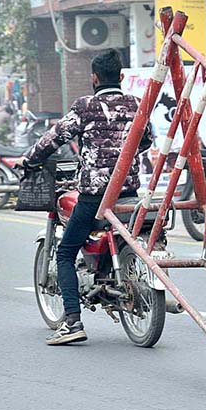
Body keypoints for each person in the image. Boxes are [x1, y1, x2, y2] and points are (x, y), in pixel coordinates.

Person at [20, 49, 152, 345]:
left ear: (94, 78)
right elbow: (146, 140)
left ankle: (72, 322)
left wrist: (29, 160)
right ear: (120, 77)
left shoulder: (86, 107)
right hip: (128, 193)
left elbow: (53, 138)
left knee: (66, 252)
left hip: (94, 198)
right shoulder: (136, 104)